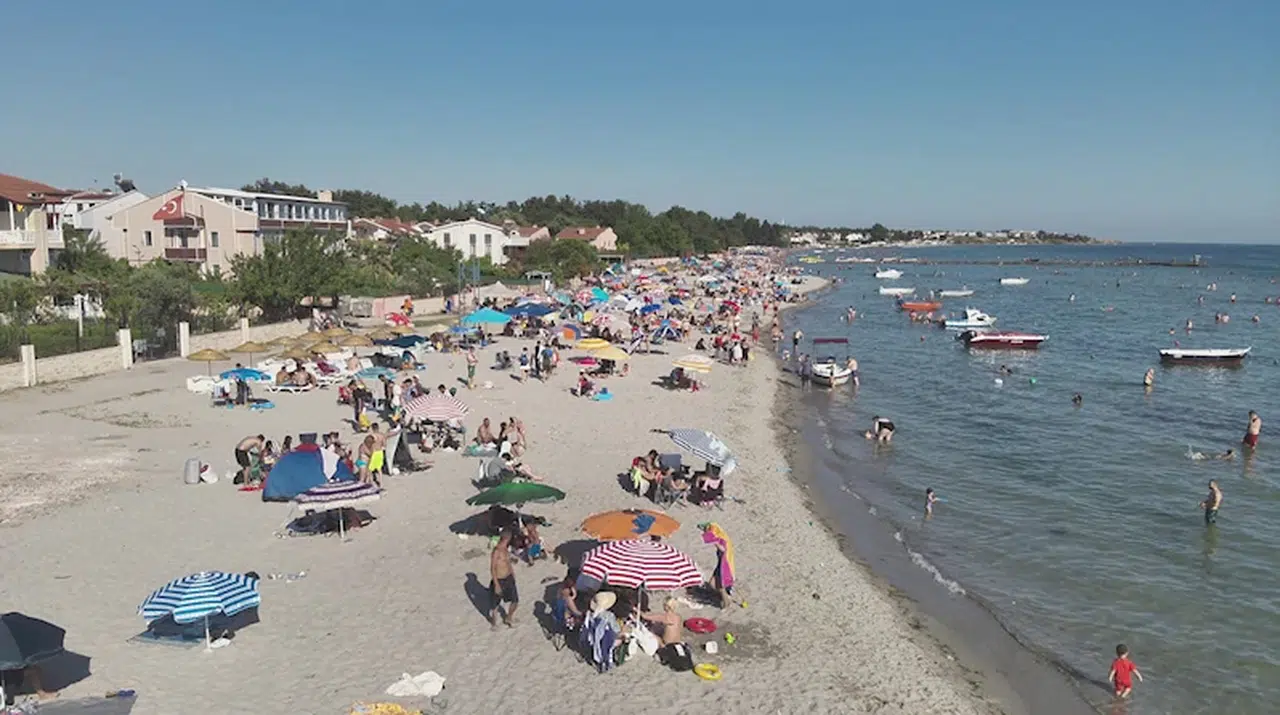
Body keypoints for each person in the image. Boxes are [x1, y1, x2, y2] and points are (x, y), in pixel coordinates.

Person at [489, 530, 518, 628]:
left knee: (515, 600)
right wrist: (496, 584)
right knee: (495, 604)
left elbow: (508, 563)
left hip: (508, 577)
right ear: (507, 538)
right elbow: (493, 568)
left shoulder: (506, 549)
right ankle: (494, 623)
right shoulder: (496, 551)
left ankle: (508, 617)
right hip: (499, 579)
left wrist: (512, 573)